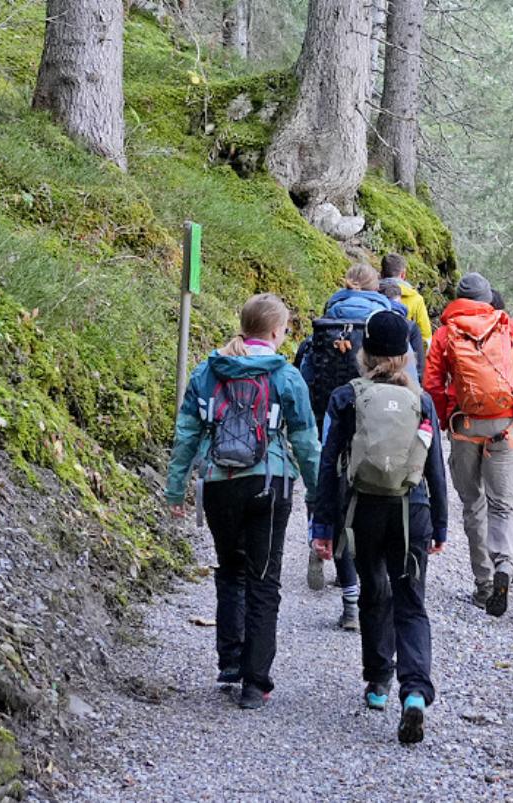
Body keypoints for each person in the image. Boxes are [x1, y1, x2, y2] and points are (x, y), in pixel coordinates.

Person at [166, 293, 321, 709]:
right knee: (264, 580)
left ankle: (230, 661)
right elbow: (306, 442)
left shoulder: (207, 371)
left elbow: (186, 434)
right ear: (274, 331)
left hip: (219, 483)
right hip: (270, 485)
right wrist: (321, 498)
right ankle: (256, 682)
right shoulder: (286, 376)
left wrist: (175, 487)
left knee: (230, 569)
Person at [310, 309, 447, 744]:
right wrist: (441, 524)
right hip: (414, 510)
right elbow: (435, 469)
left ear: (365, 352)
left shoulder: (346, 397)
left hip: (363, 510)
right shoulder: (421, 401)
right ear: (406, 355)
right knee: (411, 601)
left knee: (374, 591)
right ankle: (415, 694)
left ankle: (378, 683)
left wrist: (323, 524)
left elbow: (329, 465)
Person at [423, 272, 513, 617]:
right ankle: (506, 564)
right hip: (504, 426)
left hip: (465, 427)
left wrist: (445, 419)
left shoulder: (445, 334)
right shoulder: (510, 328)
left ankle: (485, 585)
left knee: (473, 504)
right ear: (488, 298)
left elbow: (431, 385)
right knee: (502, 505)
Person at [297, 264, 396, 631]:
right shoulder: (388, 315)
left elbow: (305, 375)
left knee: (331, 488)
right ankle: (368, 580)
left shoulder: (327, 318)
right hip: (379, 417)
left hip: (332, 410)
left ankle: (322, 540)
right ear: (377, 288)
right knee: (369, 497)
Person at [381, 253, 432, 348]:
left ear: (381, 273)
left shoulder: (373, 293)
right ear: (403, 274)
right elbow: (426, 337)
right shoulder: (416, 299)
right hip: (404, 356)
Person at [379, 277, 426, 380]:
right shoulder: (410, 326)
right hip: (403, 384)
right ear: (399, 299)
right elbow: (419, 368)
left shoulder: (369, 321)